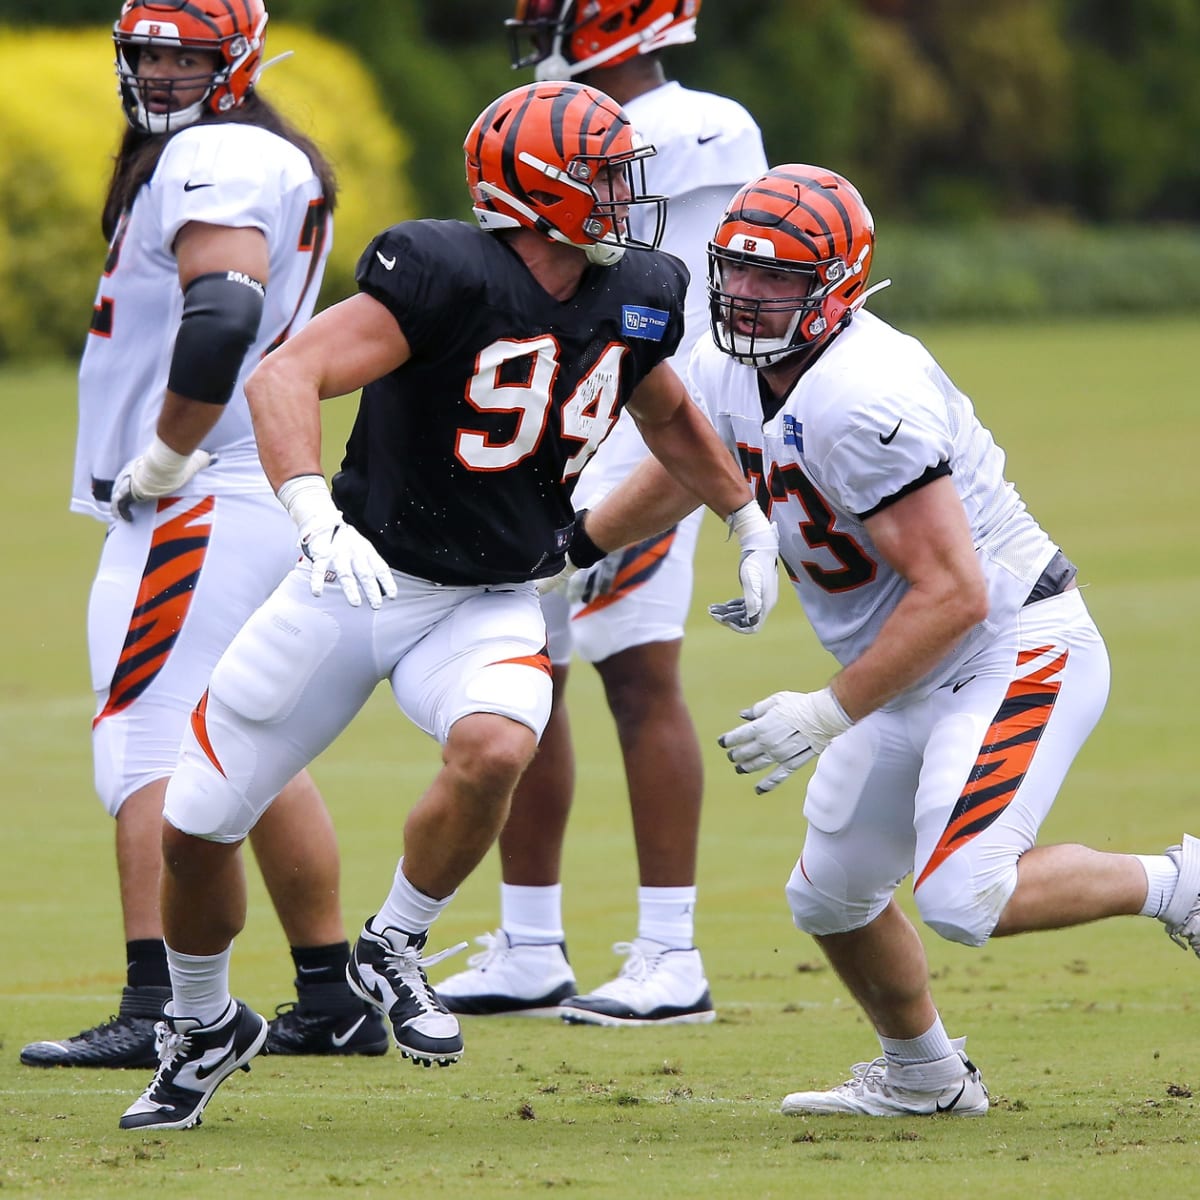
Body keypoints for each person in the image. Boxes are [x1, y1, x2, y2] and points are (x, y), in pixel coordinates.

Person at [115, 79, 779, 1131]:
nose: (623, 196)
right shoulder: (438, 272)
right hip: (357, 580)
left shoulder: (638, 288)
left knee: (498, 746)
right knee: (195, 830)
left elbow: (665, 407)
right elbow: (285, 378)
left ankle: (395, 942)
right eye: (602, 175)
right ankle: (202, 1025)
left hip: (493, 598)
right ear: (538, 188)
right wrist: (309, 513)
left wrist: (744, 516)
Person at [577, 163, 1200, 1116]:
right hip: (913, 665)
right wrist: (579, 545)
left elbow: (953, 592)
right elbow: (692, 464)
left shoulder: (863, 393)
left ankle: (1179, 883)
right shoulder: (730, 364)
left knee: (963, 898)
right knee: (830, 898)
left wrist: (823, 713)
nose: (748, 295)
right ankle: (924, 1076)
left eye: (780, 278)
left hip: (1009, 645)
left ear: (838, 285)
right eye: (739, 271)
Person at [22, 0, 389, 1072]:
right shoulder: (235, 149)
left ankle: (163, 1004)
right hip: (241, 483)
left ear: (236, 61)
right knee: (245, 744)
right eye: (150, 53)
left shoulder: (221, 152)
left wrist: (172, 449)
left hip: (203, 488)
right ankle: (331, 992)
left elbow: (222, 314)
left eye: (190, 55)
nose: (166, 74)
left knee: (144, 736)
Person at [434, 0, 768, 1029]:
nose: (539, 29)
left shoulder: (675, 129)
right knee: (529, 678)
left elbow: (640, 295)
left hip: (641, 425)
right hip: (580, 419)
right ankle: (531, 944)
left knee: (638, 672)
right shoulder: (710, 122)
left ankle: (671, 952)